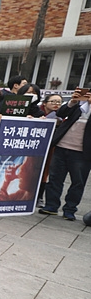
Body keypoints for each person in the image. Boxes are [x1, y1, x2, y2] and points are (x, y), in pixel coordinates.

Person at [39, 88, 91, 221]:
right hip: (62, 147)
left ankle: (70, 209)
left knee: (78, 182)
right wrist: (73, 101)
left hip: (82, 153)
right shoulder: (78, 105)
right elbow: (61, 113)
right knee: (55, 178)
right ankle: (51, 205)